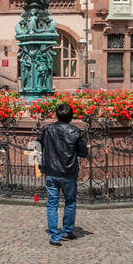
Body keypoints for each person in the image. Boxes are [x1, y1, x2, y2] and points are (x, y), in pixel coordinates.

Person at [36, 104, 90, 245]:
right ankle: (66, 232)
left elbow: (38, 146)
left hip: (51, 171)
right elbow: (83, 152)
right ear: (71, 117)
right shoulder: (75, 131)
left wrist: (41, 164)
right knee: (70, 202)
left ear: (56, 115)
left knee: (52, 204)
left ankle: (55, 236)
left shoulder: (47, 129)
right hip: (68, 172)